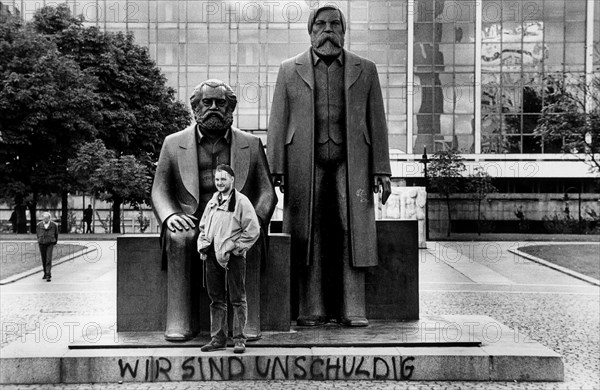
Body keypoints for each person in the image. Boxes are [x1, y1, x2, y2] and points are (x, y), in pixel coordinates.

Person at [267, 5, 392, 327]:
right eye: (320, 24)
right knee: (310, 231)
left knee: (353, 229)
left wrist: (382, 169)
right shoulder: (289, 69)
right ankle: (312, 308)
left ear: (344, 30)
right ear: (310, 31)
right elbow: (278, 121)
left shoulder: (365, 69)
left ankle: (353, 307)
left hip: (354, 164)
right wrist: (275, 167)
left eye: (334, 24)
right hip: (303, 163)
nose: (328, 30)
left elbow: (376, 121)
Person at [151, 79, 277, 341]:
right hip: (192, 221)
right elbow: (159, 191)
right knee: (181, 237)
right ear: (195, 107)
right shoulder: (173, 144)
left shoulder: (251, 144)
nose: (213, 108)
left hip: (235, 220)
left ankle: (246, 322)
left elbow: (267, 193)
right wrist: (171, 216)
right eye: (206, 102)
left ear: (230, 108)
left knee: (247, 238)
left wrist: (252, 219)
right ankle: (180, 321)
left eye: (220, 103)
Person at [197, 164, 260, 354]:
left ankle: (239, 339)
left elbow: (253, 229)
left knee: (238, 299)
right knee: (216, 299)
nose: (220, 183)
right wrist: (202, 245)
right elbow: (203, 227)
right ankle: (218, 339)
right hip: (212, 255)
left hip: (233, 257)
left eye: (223, 179)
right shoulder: (212, 202)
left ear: (232, 180)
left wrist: (237, 247)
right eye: (217, 179)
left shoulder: (242, 202)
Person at [36, 212, 58, 282]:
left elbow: (56, 234)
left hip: (50, 243)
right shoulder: (39, 225)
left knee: (48, 259)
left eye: (47, 218)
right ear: (43, 218)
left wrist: (54, 241)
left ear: (49, 218)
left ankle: (48, 275)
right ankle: (45, 273)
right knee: (44, 258)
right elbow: (37, 234)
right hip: (42, 243)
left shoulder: (54, 225)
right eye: (44, 218)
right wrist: (39, 240)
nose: (45, 219)